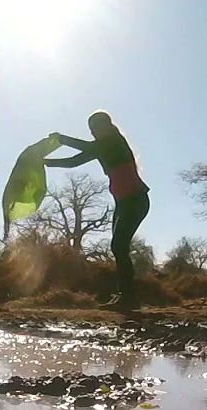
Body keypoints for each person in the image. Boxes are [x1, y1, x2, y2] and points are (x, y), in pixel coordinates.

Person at [45, 111, 150, 311]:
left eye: (96, 128)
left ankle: (129, 298)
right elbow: (74, 161)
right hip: (124, 203)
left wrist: (61, 139)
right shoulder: (102, 146)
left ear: (107, 126)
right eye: (91, 130)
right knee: (118, 248)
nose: (94, 133)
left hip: (135, 201)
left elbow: (82, 151)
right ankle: (125, 296)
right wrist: (46, 163)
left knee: (118, 246)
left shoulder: (114, 142)